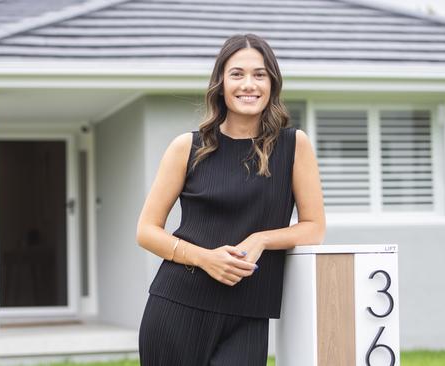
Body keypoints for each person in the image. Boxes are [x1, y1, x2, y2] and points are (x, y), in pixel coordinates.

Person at [135, 33, 326, 366]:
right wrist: (205, 258)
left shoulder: (295, 146)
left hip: (249, 314)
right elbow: (147, 231)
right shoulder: (186, 147)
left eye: (259, 74)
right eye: (237, 74)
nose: (248, 84)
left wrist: (262, 238)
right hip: (177, 306)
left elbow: (314, 228)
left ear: (272, 84)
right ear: (220, 83)